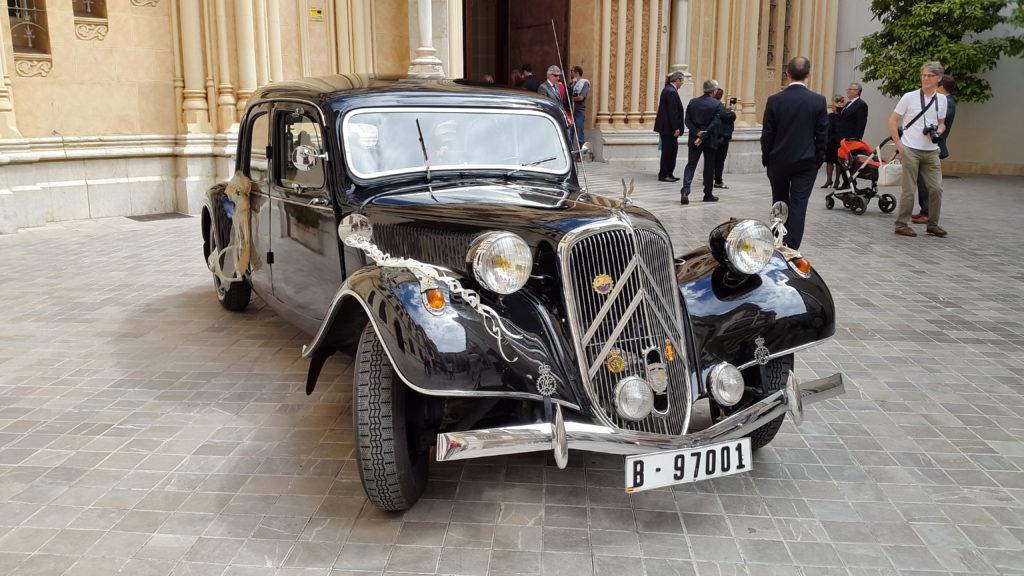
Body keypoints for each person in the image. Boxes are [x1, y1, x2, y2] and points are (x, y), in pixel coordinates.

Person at [760, 56, 828, 250]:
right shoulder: (818, 101)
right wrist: (818, 159)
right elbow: (822, 134)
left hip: (778, 161)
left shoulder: (775, 100)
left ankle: (777, 240)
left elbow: (768, 133)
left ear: (787, 73)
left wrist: (767, 157)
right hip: (806, 161)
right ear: (808, 75)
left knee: (779, 202)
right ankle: (791, 247)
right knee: (799, 204)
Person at [889, 61, 948, 238]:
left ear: (939, 78)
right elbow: (892, 120)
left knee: (936, 188)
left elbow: (942, 124)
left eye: (930, 75)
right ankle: (901, 225)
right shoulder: (910, 97)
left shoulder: (942, 99)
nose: (925, 78)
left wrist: (938, 131)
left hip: (931, 150)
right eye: (923, 75)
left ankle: (933, 224)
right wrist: (899, 144)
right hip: (910, 149)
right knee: (909, 190)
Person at [912, 74, 955, 224]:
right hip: (927, 145)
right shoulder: (944, 101)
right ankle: (923, 210)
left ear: (941, 87)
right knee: (921, 180)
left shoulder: (947, 102)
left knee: (926, 182)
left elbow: (936, 122)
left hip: (934, 146)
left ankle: (927, 212)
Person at [679, 78, 722, 204]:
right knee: (709, 168)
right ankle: (708, 194)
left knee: (691, 165)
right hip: (709, 140)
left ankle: (685, 191)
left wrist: (697, 133)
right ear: (714, 91)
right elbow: (714, 123)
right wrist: (703, 135)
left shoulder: (693, 102)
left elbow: (687, 120)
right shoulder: (717, 104)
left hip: (694, 138)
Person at [834, 82, 869, 189]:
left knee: (848, 162)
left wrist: (856, 140)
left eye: (850, 89)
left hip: (850, 140)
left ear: (857, 92)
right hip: (841, 139)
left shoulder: (861, 105)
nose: (848, 91)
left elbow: (861, 124)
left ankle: (850, 183)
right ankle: (847, 183)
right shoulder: (848, 104)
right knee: (842, 162)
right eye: (848, 89)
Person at [653, 71, 685, 183]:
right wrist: (676, 128)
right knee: (668, 152)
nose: (682, 83)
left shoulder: (668, 90)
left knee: (671, 151)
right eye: (682, 81)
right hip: (669, 128)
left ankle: (669, 173)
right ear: (678, 80)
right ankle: (664, 174)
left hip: (667, 127)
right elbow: (673, 112)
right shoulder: (671, 91)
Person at [711, 87, 736, 189]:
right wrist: (732, 111)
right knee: (719, 160)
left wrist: (727, 110)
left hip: (712, 135)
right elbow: (729, 117)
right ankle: (718, 181)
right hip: (721, 136)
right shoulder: (718, 105)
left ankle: (708, 178)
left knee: (711, 159)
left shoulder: (711, 104)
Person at [821, 94, 846, 188]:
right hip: (829, 142)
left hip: (838, 142)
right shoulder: (829, 116)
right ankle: (829, 180)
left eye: (833, 105)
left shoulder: (843, 116)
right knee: (829, 161)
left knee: (838, 162)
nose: (832, 107)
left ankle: (837, 180)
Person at [569, 65, 590, 148]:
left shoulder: (585, 83)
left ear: (577, 73)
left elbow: (581, 97)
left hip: (579, 112)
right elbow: (568, 94)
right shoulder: (572, 84)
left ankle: (581, 153)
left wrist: (572, 99)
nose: (570, 73)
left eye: (572, 71)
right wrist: (573, 84)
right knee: (569, 135)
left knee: (579, 135)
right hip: (571, 112)